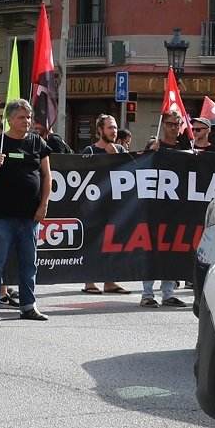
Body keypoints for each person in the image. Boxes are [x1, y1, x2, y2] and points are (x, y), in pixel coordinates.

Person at [0, 98, 51, 323]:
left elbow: (47, 176)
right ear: (9, 120)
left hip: (30, 216)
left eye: (28, 117)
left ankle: (28, 305)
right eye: (21, 117)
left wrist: (44, 204)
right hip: (2, 215)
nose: (26, 121)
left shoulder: (38, 143)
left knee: (29, 262)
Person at [142, 107, 194, 308]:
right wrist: (150, 153)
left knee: (173, 250)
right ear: (162, 125)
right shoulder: (154, 147)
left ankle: (168, 293)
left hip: (176, 209)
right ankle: (147, 294)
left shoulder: (184, 150)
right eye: (170, 124)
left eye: (177, 124)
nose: (173, 128)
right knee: (152, 250)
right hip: (155, 208)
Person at [80, 114, 130, 296]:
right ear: (100, 130)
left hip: (114, 206)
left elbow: (130, 172)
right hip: (94, 206)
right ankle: (89, 281)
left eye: (115, 127)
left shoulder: (120, 151)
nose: (114, 131)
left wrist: (116, 157)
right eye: (110, 127)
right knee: (93, 242)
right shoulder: (90, 150)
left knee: (112, 242)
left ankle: (110, 281)